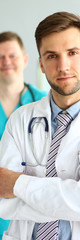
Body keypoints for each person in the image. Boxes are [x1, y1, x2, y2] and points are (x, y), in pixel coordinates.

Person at [0, 11, 80, 240]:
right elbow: (3, 203)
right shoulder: (20, 120)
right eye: (52, 56)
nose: (63, 66)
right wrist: (67, 201)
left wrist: (17, 184)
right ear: (41, 64)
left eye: (73, 53)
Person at [0, 31, 47, 239]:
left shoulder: (46, 105)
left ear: (26, 59)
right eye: (0, 57)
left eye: (12, 56)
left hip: (31, 214)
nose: (6, 62)